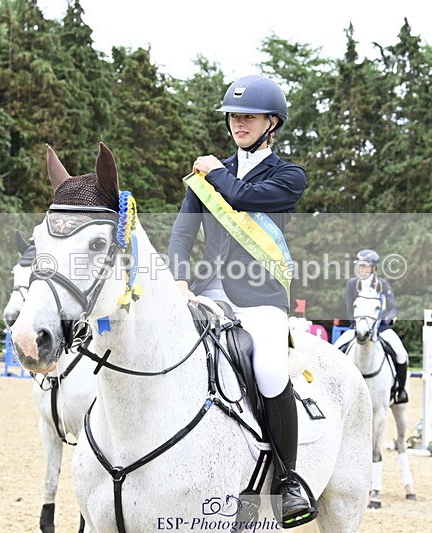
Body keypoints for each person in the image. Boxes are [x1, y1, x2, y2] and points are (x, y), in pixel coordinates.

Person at [166, 74, 315, 528]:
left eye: (248, 116)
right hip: (207, 292)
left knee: (269, 371)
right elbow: (181, 233)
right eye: (233, 116)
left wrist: (214, 172)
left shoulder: (289, 176)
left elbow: (243, 196)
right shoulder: (207, 177)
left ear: (273, 122)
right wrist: (178, 279)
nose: (238, 123)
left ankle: (288, 481)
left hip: (261, 298)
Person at [345, 249, 410, 404]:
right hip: (358, 327)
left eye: (365, 266)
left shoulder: (382, 284)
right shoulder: (352, 284)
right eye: (360, 265)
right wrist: (355, 324)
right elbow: (349, 307)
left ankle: (400, 390)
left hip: (380, 327)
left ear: (373, 268)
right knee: (336, 349)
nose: (361, 269)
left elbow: (392, 307)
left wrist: (386, 319)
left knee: (401, 354)